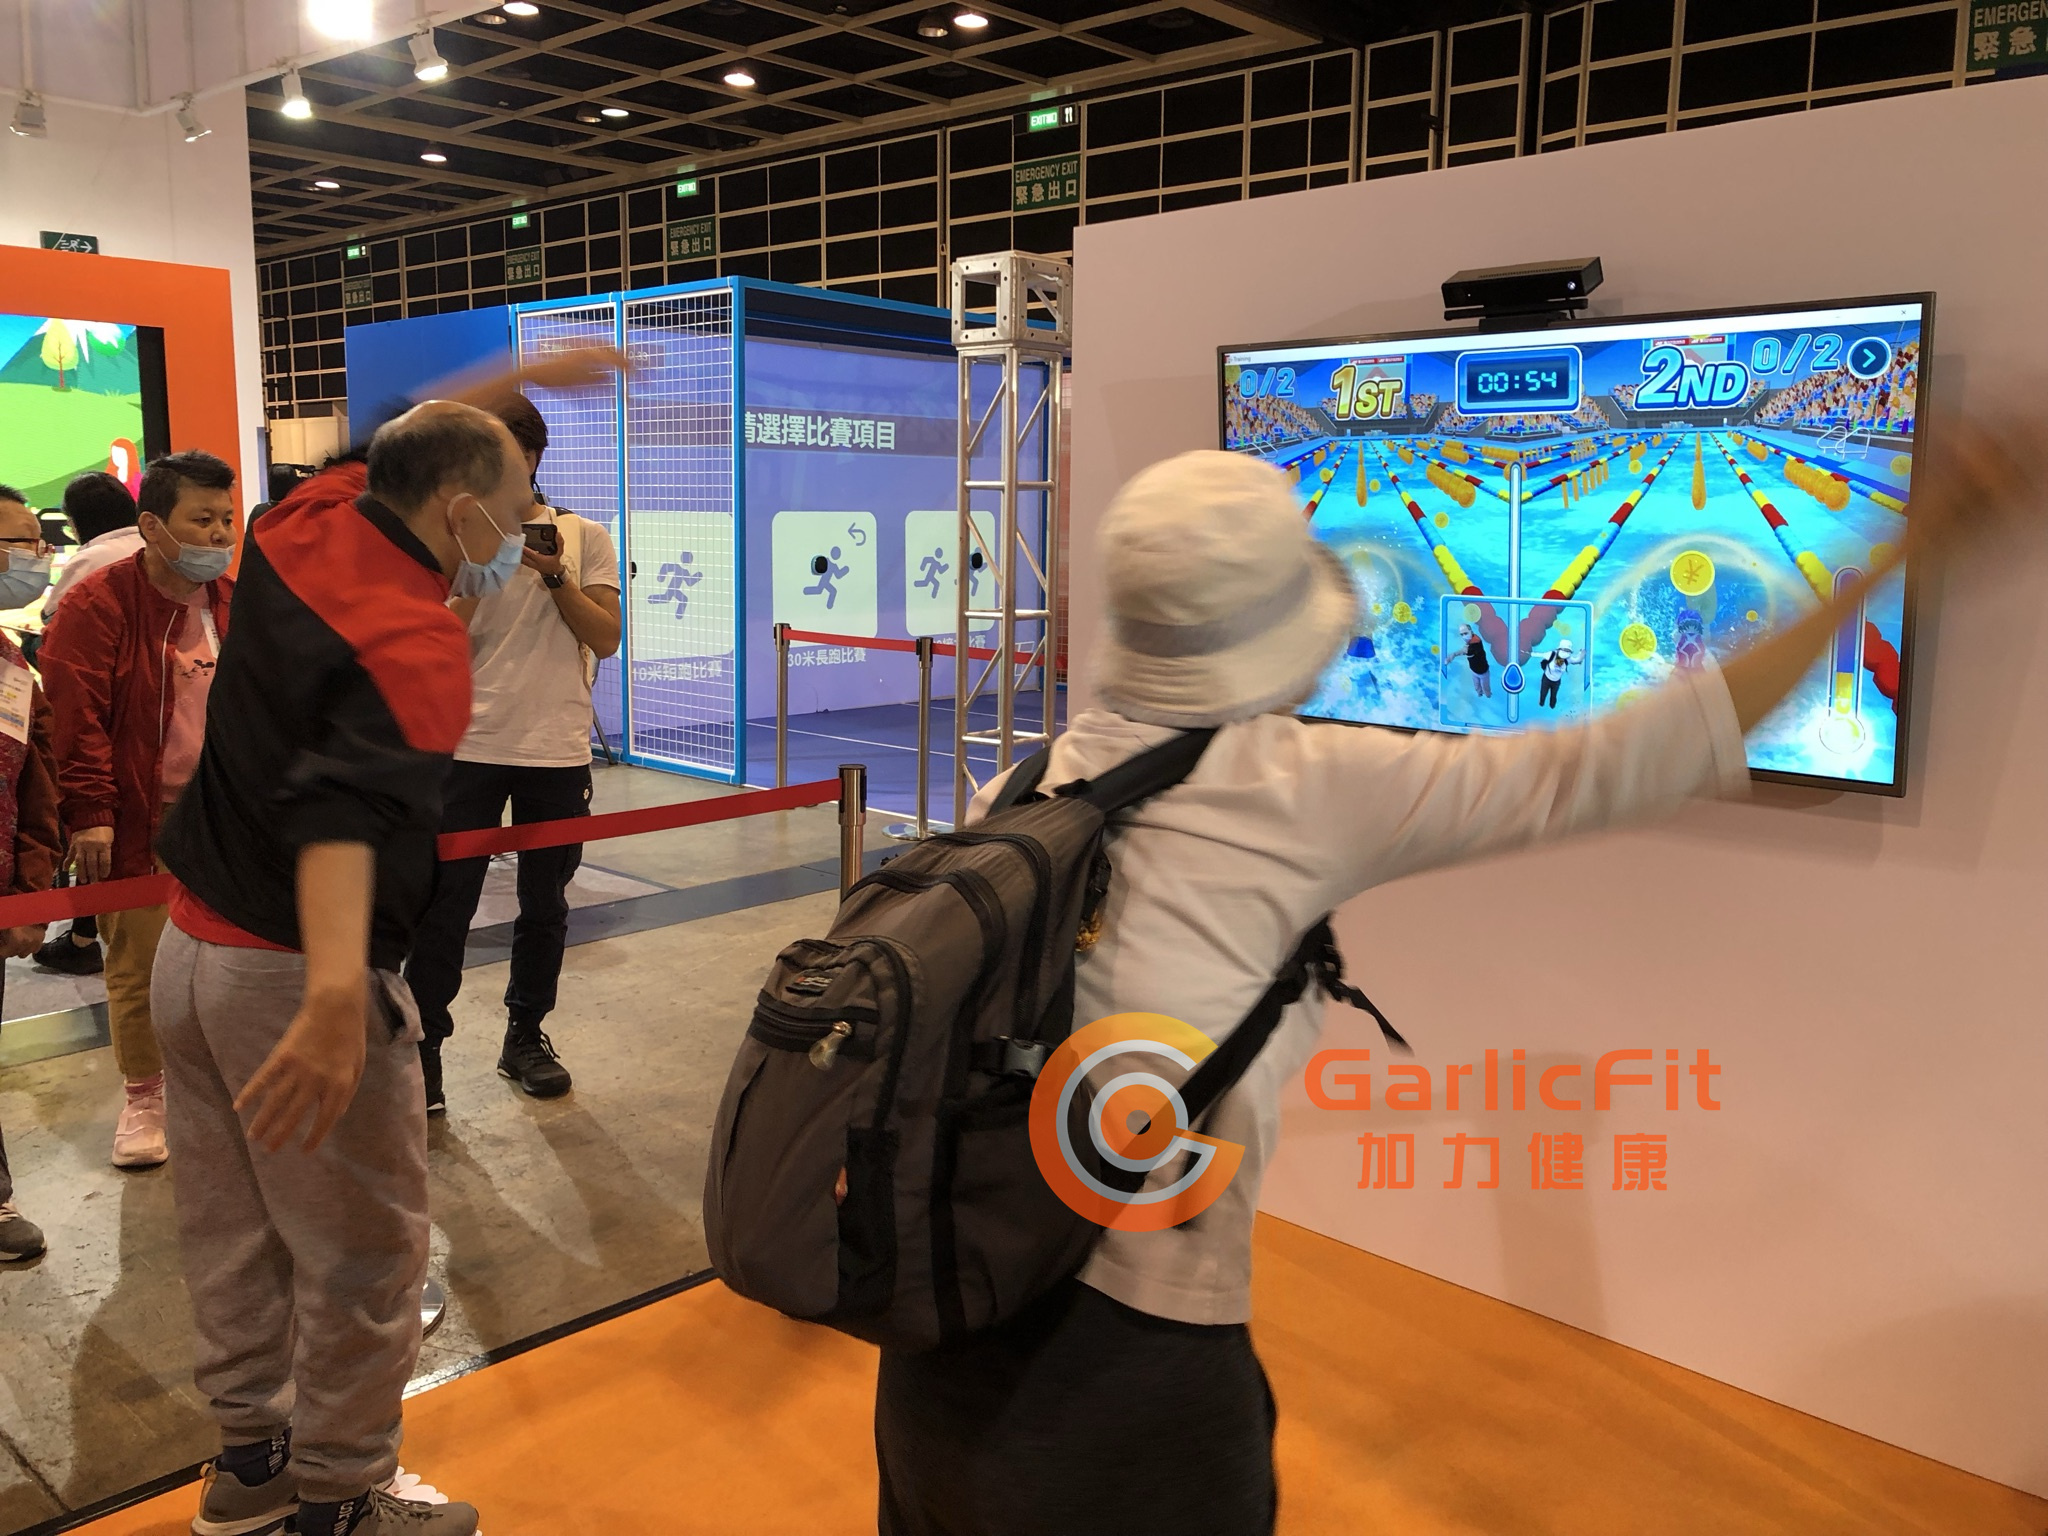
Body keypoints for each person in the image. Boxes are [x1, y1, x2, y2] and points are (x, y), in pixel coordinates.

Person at [871, 431, 2032, 1536]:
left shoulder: (1027, 785)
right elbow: (1643, 754)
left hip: (942, 1340)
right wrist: (1908, 542)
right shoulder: (1294, 783)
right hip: (1125, 1388)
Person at [153, 401, 532, 1536]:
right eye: (516, 512)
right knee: (365, 1252)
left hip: (189, 951)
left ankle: (253, 1465)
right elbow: (339, 819)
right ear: (459, 511)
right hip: (292, 974)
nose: (523, 535)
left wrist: (522, 373)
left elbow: (400, 443)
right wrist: (332, 998)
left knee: (232, 1228)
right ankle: (344, 1497)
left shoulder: (297, 528)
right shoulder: (417, 641)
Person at [402, 393, 621, 1112]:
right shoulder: (448, 538)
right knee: (445, 905)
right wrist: (479, 565)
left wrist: (553, 574)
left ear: (534, 458)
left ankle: (525, 1035)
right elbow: (432, 640)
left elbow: (606, 637)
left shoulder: (584, 535)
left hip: (555, 747)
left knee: (544, 904)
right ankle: (424, 1051)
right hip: (466, 743)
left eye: (511, 457)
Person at [39, 450, 235, 1171]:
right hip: (138, 814)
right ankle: (145, 1097)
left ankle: (216, 1082)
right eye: (202, 519)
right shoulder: (100, 603)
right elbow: (76, 715)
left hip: (227, 816)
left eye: (226, 519)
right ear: (153, 525)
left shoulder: (232, 601)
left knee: (231, 957)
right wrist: (91, 808)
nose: (219, 535)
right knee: (140, 962)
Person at [33, 470, 144, 979]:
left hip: (109, 734)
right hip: (158, 741)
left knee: (99, 838)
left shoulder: (88, 564)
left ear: (74, 524)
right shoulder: (156, 554)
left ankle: (83, 937)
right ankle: (83, 935)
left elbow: (68, 678)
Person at [0, 497, 71, 1261]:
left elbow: (34, 784)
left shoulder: (12, 666)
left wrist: (30, 894)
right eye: (22, 543)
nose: (38, 558)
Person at [1538, 637, 1580, 708]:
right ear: (1560, 649)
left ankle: (1552, 706)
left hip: (1556, 681)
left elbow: (1577, 660)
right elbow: (1539, 654)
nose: (1565, 652)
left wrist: (1582, 654)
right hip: (1546, 679)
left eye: (1567, 650)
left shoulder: (1568, 659)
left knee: (1553, 695)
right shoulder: (1551, 654)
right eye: (1564, 649)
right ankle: (1541, 703)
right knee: (1543, 693)